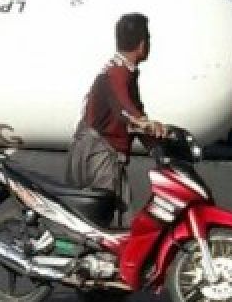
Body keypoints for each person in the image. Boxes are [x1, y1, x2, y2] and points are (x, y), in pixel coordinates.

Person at [65, 12, 165, 225]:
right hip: (99, 153)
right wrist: (147, 124)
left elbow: (135, 113)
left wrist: (158, 149)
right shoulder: (118, 73)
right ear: (142, 44)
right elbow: (125, 110)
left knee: (105, 219)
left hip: (90, 149)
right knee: (107, 222)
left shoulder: (121, 70)